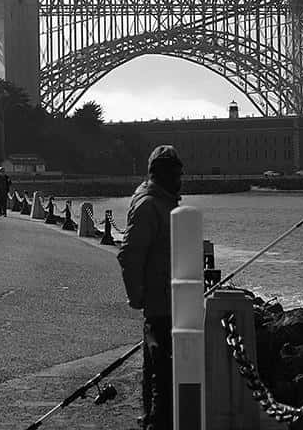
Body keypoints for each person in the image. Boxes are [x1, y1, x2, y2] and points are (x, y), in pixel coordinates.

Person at [117, 145, 184, 430]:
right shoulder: (150, 205)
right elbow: (129, 254)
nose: (179, 177)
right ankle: (157, 424)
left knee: (156, 372)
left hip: (169, 300)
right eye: (173, 172)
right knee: (163, 376)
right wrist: (138, 296)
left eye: (178, 171)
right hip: (161, 303)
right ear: (158, 173)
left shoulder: (161, 200)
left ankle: (152, 421)